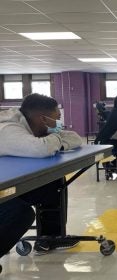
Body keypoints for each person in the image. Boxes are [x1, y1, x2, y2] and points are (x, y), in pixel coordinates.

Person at [0, 93, 83, 256]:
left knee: (51, 182)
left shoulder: (30, 125)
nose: (60, 122)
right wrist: (54, 141)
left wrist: (54, 141)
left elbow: (75, 138)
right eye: (57, 117)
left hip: (9, 180)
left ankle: (49, 238)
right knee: (21, 214)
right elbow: (42, 149)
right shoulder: (7, 129)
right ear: (42, 119)